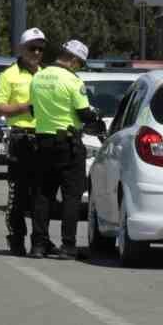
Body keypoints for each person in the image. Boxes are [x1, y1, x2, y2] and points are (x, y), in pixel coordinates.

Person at [29, 38, 99, 260]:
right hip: (67, 143)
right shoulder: (72, 81)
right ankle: (68, 246)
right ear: (74, 60)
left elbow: (32, 110)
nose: (80, 67)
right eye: (81, 64)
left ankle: (38, 245)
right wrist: (96, 119)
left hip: (42, 142)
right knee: (72, 195)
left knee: (42, 195)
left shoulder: (38, 76)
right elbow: (83, 114)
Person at [0, 27, 45, 255]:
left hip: (44, 138)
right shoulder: (9, 75)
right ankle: (16, 238)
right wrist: (25, 108)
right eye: (32, 48)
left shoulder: (46, 75)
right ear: (21, 49)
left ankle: (40, 241)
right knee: (18, 193)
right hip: (20, 137)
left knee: (41, 194)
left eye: (40, 48)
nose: (36, 52)